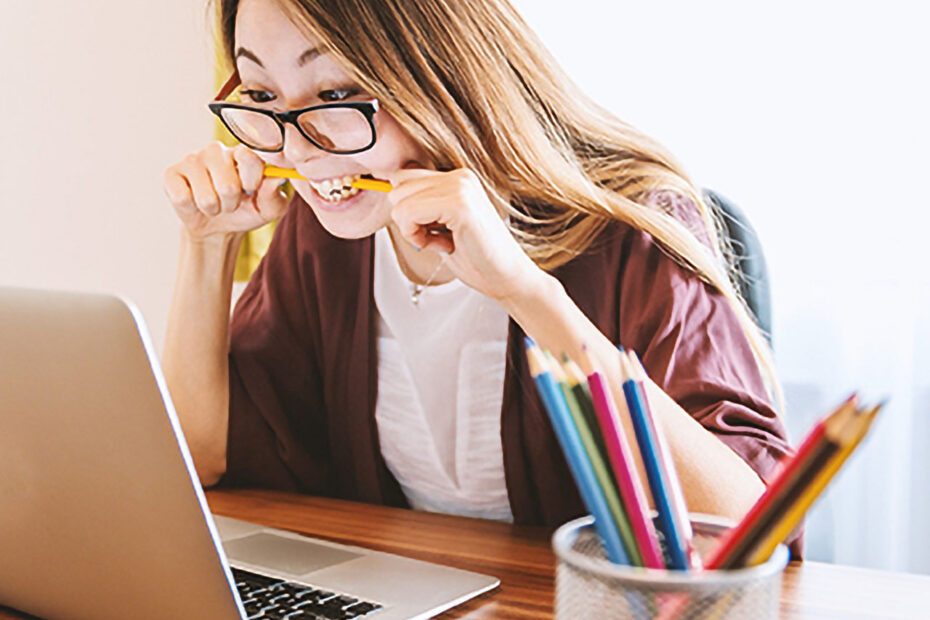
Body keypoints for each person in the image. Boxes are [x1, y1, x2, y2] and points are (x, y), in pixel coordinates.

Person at [162, 0, 795, 542]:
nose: (297, 149)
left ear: (445, 74)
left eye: (336, 94)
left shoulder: (631, 224)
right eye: (263, 96)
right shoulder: (327, 231)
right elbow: (202, 456)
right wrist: (206, 245)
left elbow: (747, 530)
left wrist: (523, 292)